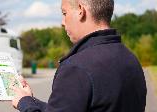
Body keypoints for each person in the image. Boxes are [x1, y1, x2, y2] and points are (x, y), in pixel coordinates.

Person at [11, 0, 147, 112]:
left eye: (64, 13)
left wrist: (24, 103)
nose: (63, 22)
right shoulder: (130, 59)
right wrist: (30, 100)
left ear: (81, 10)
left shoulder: (76, 68)